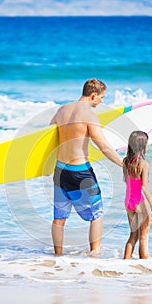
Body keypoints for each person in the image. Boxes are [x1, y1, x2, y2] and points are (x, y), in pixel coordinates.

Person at [50, 78, 123, 256]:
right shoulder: (90, 115)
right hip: (80, 172)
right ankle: (94, 256)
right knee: (97, 215)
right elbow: (104, 146)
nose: (101, 101)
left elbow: (49, 139)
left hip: (60, 172)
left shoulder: (62, 110)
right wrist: (123, 165)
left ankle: (57, 256)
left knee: (59, 218)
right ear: (93, 95)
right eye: (101, 97)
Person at [123, 131, 152, 259]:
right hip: (139, 202)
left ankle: (124, 262)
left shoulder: (126, 162)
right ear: (143, 145)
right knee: (143, 236)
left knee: (133, 235)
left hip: (128, 203)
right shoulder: (144, 164)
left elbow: (126, 180)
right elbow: (144, 186)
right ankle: (143, 266)